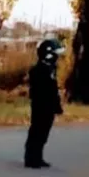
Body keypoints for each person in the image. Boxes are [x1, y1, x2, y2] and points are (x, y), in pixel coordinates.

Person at [25, 39, 65, 169]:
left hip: (48, 106)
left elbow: (53, 90)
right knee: (37, 130)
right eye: (55, 53)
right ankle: (31, 158)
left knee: (43, 132)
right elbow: (44, 90)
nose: (57, 57)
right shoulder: (39, 70)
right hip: (40, 105)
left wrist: (57, 106)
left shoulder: (50, 69)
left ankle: (38, 156)